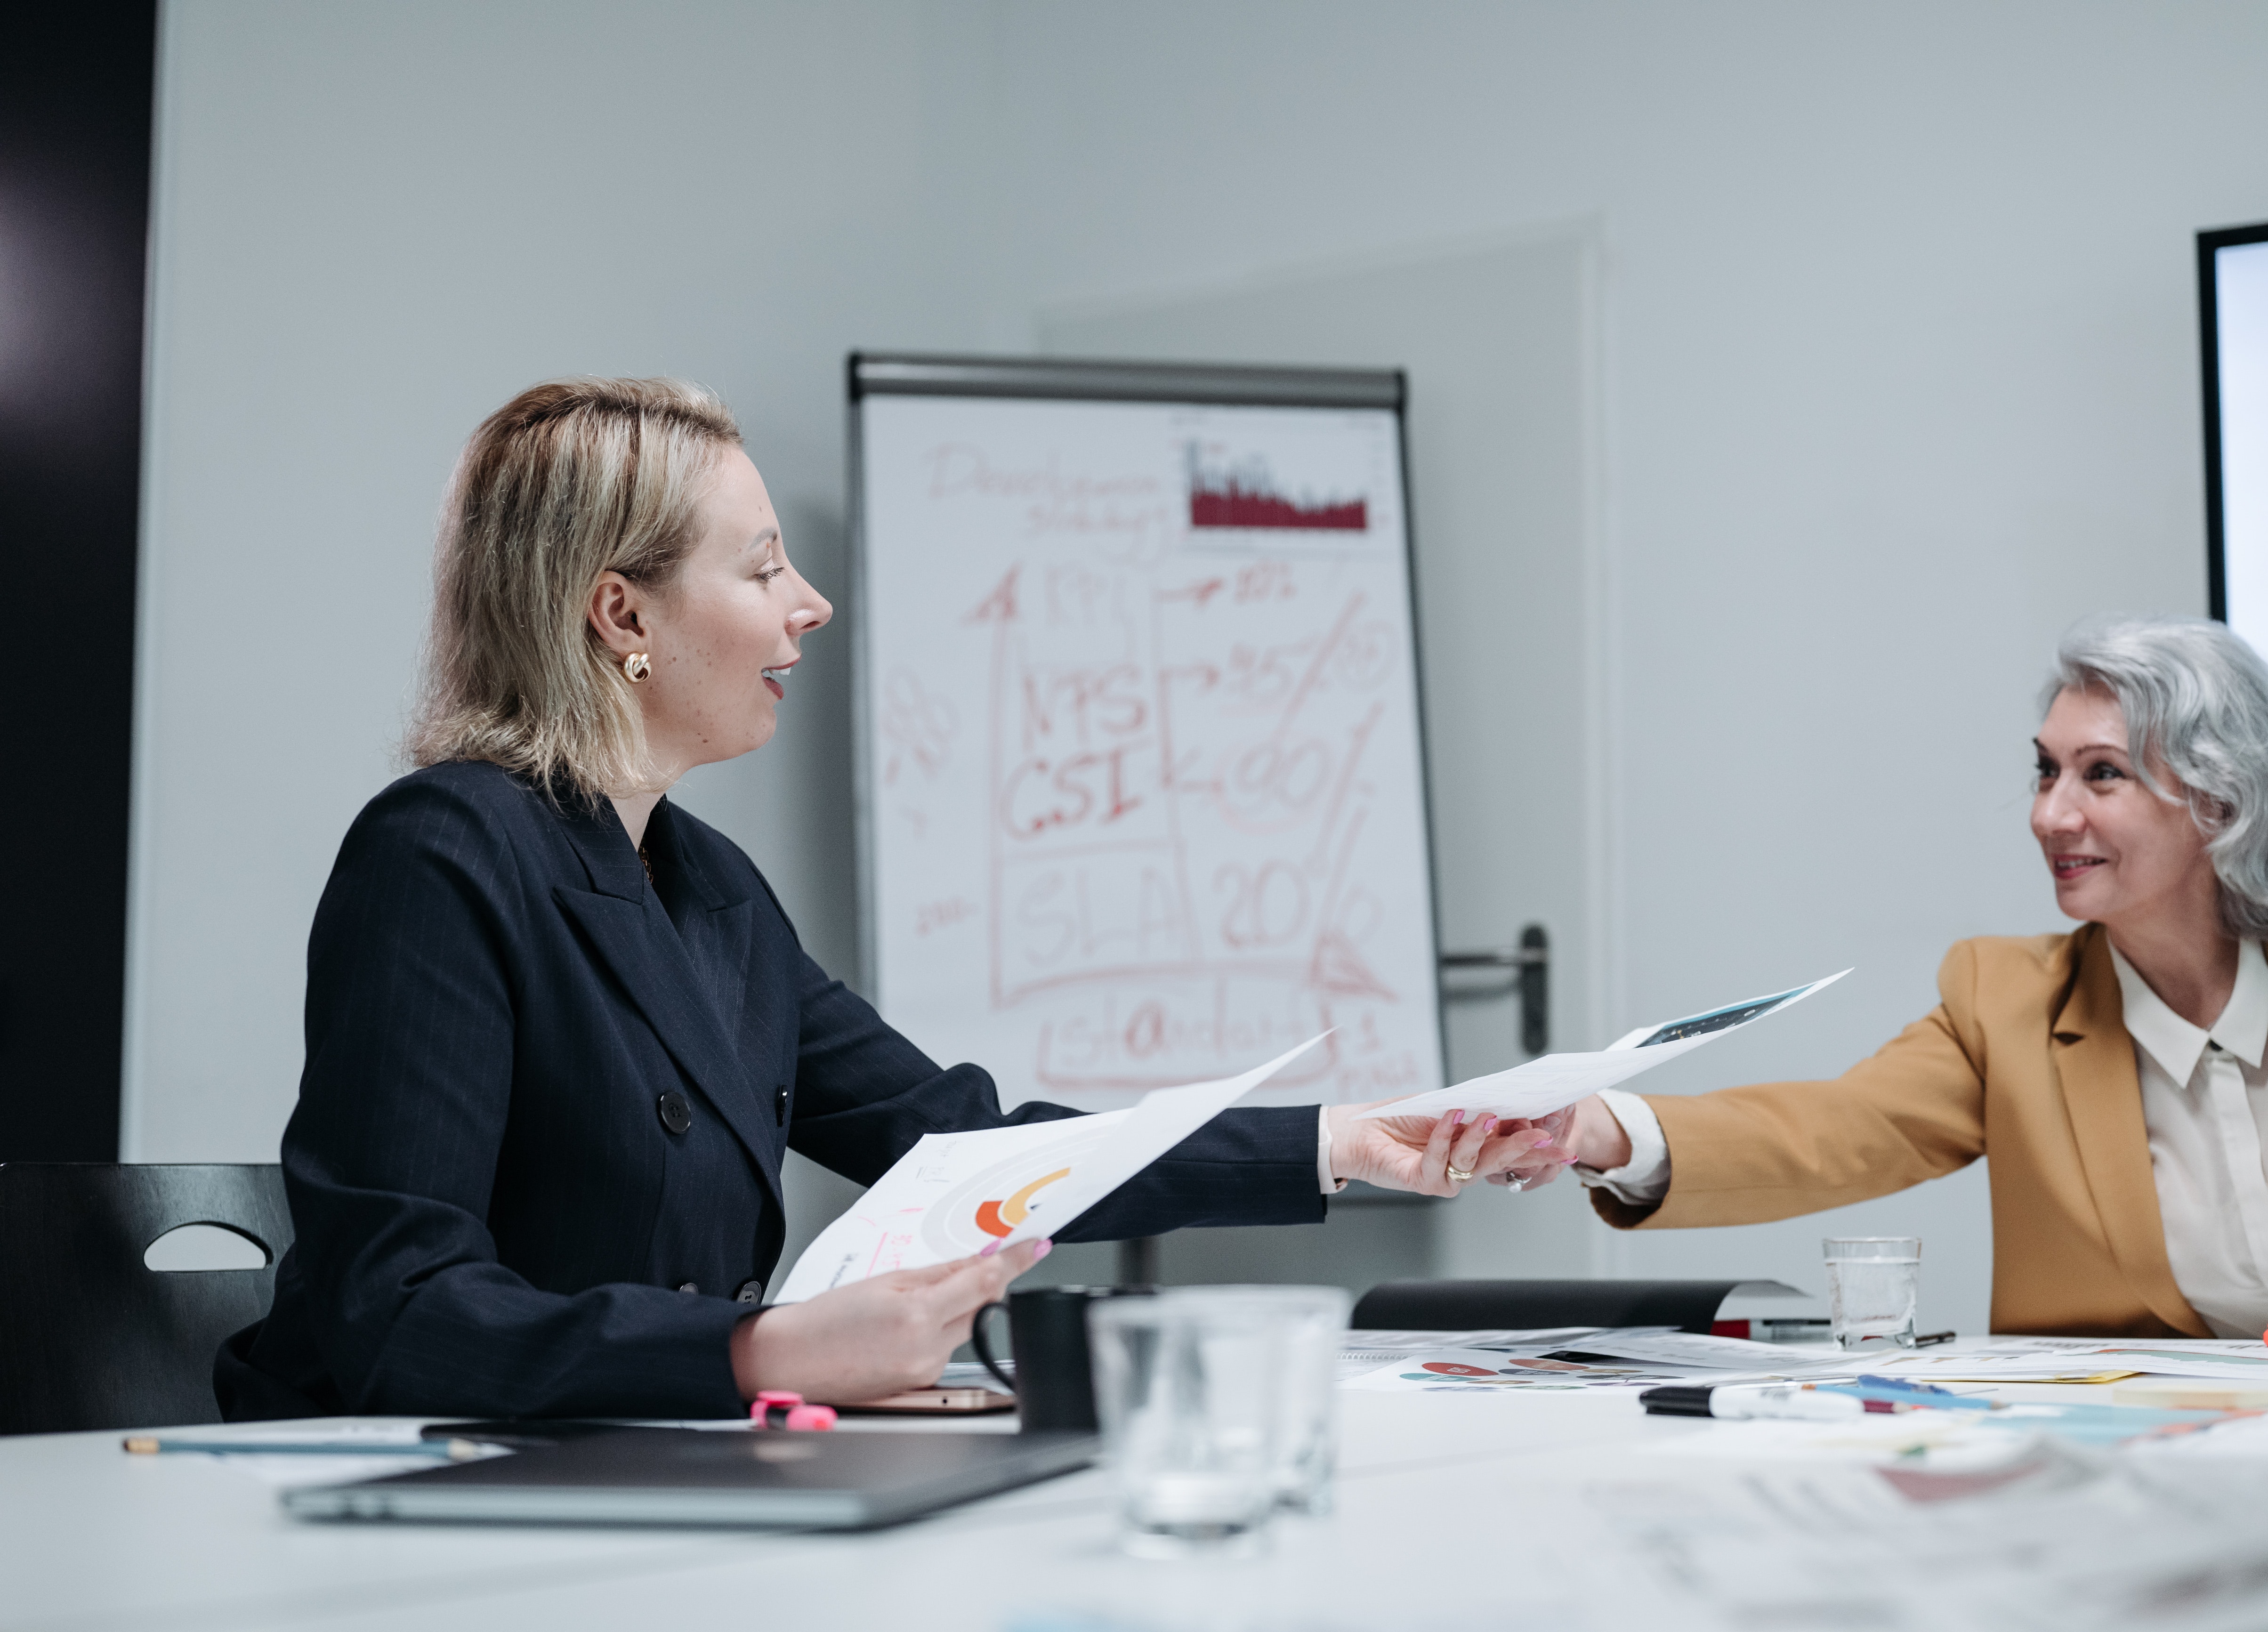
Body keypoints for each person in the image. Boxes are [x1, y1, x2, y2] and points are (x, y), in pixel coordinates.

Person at [216, 378, 1557, 1421]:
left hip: (644, 1458)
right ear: (620, 617)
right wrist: (758, 1349)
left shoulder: (712, 888)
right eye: (758, 569)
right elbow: (399, 1309)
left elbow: (963, 1147)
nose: (811, 605)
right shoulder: (443, 849)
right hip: (402, 1503)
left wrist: (1341, 1140)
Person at [1531, 614, 2268, 1344]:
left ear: (2220, 799)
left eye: (2101, 775)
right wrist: (1594, 1127)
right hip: (2187, 1462)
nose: (2050, 813)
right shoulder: (2005, 1000)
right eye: (2046, 770)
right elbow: (1831, 1131)